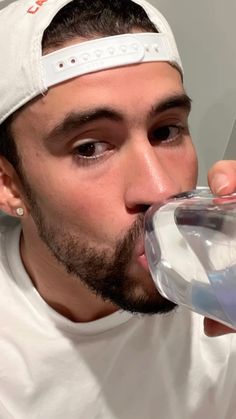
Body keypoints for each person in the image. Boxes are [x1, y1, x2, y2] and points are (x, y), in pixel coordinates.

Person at [0, 0, 236, 417]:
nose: (161, 189)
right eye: (90, 148)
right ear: (9, 185)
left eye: (166, 131)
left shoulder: (221, 289)